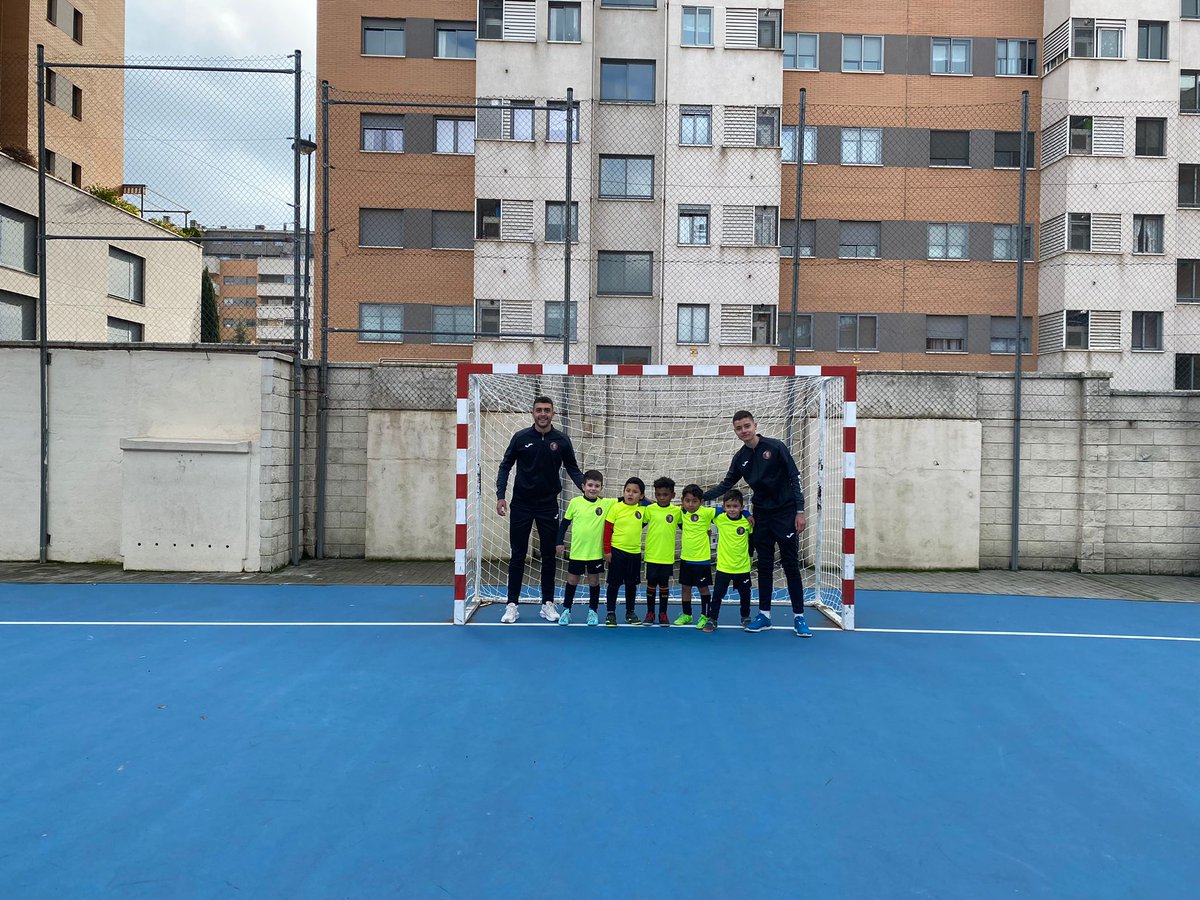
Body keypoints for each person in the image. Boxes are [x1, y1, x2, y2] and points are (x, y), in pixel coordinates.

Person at [704, 410, 813, 637]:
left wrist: (799, 511)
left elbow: (794, 477)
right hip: (761, 515)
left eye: (746, 426)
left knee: (790, 565)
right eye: (739, 428)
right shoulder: (740, 458)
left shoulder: (775, 447)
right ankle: (764, 615)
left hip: (785, 513)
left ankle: (799, 618)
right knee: (763, 566)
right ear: (735, 431)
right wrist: (699, 496)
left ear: (755, 425)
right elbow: (726, 485)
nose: (743, 431)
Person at [496, 395, 585, 624]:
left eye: (547, 410)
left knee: (548, 556)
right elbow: (505, 466)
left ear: (553, 413)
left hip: (548, 505)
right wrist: (500, 496)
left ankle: (547, 603)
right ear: (532, 413)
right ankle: (512, 605)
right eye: (539, 410)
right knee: (517, 555)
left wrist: (586, 488)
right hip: (522, 504)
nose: (543, 414)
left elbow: (573, 469)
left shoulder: (562, 440)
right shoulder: (520, 438)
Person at [555, 470, 614, 626]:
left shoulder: (606, 504)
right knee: (572, 580)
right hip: (577, 552)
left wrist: (645, 498)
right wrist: (559, 541)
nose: (593, 488)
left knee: (594, 581)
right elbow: (564, 524)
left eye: (596, 486)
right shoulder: (575, 502)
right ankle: (566, 610)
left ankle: (592, 612)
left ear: (601, 487)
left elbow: (627, 499)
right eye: (590, 485)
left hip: (595, 553)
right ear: (583, 486)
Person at [702, 490, 754, 633]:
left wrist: (747, 514)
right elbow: (705, 511)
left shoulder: (747, 522)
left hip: (742, 567)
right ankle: (713, 619)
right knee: (718, 595)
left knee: (745, 595)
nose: (732, 509)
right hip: (723, 567)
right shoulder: (720, 519)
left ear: (741, 507)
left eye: (735, 506)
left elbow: (753, 537)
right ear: (724, 507)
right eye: (729, 506)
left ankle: (745, 616)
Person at [602, 477, 647, 627]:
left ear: (641, 496)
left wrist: (646, 500)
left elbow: (655, 506)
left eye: (635, 492)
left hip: (634, 554)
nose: (630, 494)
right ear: (623, 492)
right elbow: (608, 530)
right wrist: (607, 550)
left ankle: (630, 612)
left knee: (631, 584)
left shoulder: (642, 509)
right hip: (617, 552)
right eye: (628, 490)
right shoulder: (616, 507)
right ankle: (610, 613)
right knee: (614, 584)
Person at [641, 477, 681, 626]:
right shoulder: (649, 509)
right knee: (651, 584)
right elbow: (638, 525)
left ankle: (663, 613)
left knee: (664, 585)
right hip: (651, 556)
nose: (662, 498)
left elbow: (688, 526)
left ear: (673, 495)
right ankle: (650, 613)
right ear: (655, 494)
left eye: (665, 495)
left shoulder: (677, 512)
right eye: (658, 495)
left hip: (667, 557)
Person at [676, 484, 716, 628]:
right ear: (682, 501)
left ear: (701, 502)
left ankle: (705, 616)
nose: (690, 504)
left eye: (694, 501)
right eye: (687, 501)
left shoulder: (707, 512)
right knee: (685, 588)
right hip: (686, 558)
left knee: (703, 588)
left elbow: (724, 510)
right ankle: (687, 615)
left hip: (702, 560)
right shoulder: (680, 512)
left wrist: (747, 514)